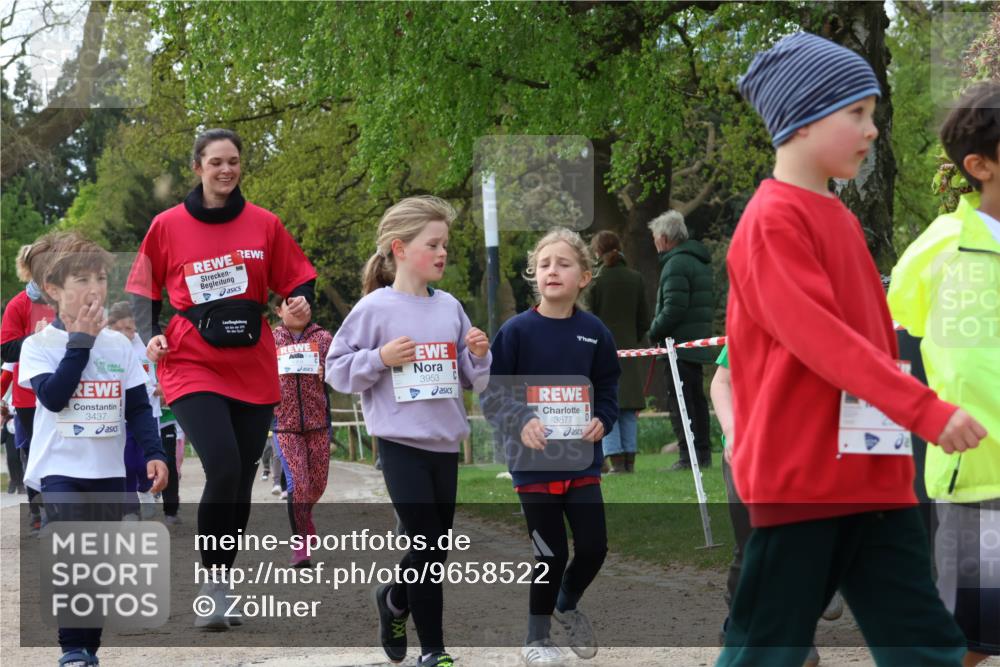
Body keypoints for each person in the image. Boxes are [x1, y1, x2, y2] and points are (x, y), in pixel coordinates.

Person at [719, 32, 987, 666]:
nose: (872, 129)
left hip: (875, 475)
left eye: (872, 113)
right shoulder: (770, 222)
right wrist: (925, 409)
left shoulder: (837, 217)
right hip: (804, 480)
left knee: (927, 647)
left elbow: (874, 341)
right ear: (803, 119)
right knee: (765, 650)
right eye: (857, 113)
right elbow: (824, 342)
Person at [125, 128, 317, 630]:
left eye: (233, 161)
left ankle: (223, 581)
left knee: (242, 479)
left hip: (252, 362)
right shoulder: (167, 225)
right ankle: (210, 586)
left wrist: (298, 301)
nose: (226, 170)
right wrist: (150, 335)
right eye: (216, 162)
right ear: (198, 167)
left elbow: (297, 277)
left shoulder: (265, 224)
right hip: (190, 358)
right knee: (224, 466)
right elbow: (143, 289)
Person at [327, 195, 491, 667]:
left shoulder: (450, 308)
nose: (443, 253)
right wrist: (380, 359)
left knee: (436, 550)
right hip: (400, 443)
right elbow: (336, 371)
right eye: (433, 244)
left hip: (445, 442)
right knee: (424, 541)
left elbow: (470, 377)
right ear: (399, 248)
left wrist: (477, 353)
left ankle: (394, 599)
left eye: (446, 244)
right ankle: (434, 650)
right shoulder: (374, 309)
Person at [887, 81, 1000, 666]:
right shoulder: (940, 249)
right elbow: (894, 336)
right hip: (980, 477)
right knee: (967, 640)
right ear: (980, 165)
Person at [17, 231, 167, 667]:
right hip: (59, 470)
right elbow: (54, 396)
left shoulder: (119, 346)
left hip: (107, 471)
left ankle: (88, 649)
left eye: (100, 277)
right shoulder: (39, 345)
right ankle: (71, 649)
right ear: (54, 289)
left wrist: (155, 453)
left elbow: (138, 407)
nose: (95, 288)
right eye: (81, 279)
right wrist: (79, 342)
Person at [481, 227, 620, 666]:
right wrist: (521, 421)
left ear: (584, 276)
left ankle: (567, 602)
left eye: (563, 263)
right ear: (533, 276)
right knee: (551, 552)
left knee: (594, 547)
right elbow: (493, 395)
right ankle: (536, 639)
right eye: (544, 264)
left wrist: (605, 418)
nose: (552, 271)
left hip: (581, 461)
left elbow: (608, 387)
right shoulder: (515, 332)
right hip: (533, 465)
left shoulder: (596, 332)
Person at [711, 344, 842, 667]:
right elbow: (721, 382)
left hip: (808, 453)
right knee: (753, 548)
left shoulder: (835, 325)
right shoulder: (756, 317)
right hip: (748, 452)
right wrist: (731, 429)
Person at [645, 210, 715, 470]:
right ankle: (703, 454)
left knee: (681, 403)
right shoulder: (698, 261)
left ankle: (688, 456)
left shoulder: (675, 264)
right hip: (695, 342)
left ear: (664, 238)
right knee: (696, 400)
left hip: (679, 345)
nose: (654, 242)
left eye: (654, 237)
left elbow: (674, 307)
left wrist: (654, 330)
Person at [272, 294, 333, 567]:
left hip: (318, 423)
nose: (296, 309)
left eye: (301, 304)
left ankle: (305, 517)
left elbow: (341, 371)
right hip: (285, 426)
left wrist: (327, 372)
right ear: (278, 310)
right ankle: (301, 547)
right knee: (298, 485)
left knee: (316, 486)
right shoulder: (270, 341)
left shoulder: (323, 339)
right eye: (289, 304)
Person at [1, 241, 57, 532]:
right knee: (35, 453)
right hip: (28, 398)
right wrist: (33, 339)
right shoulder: (18, 305)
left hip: (66, 391)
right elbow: (6, 351)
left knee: (61, 452)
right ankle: (37, 513)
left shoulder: (68, 298)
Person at [586, 230, 650, 473]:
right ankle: (630, 462)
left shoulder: (596, 282)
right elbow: (644, 318)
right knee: (629, 407)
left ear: (597, 252)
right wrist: (633, 339)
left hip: (601, 350)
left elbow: (590, 316)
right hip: (630, 351)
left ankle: (615, 462)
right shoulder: (636, 278)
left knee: (607, 403)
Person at [107, 301, 161, 520]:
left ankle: (146, 489)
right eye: (122, 329)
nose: (128, 334)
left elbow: (153, 373)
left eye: (131, 329)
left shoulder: (143, 344)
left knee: (142, 461)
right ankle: (130, 509)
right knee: (127, 462)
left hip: (146, 412)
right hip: (116, 416)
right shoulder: (105, 346)